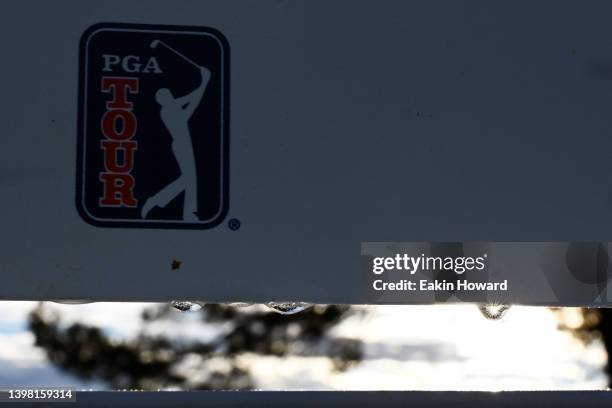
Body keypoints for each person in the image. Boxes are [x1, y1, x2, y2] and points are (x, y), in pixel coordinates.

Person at [141, 67, 211, 221]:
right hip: (181, 144)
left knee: (190, 179)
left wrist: (204, 82)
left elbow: (192, 102)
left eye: (170, 93)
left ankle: (188, 213)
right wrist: (205, 80)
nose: (171, 95)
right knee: (188, 179)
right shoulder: (168, 110)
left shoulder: (173, 107)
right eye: (167, 95)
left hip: (184, 143)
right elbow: (192, 99)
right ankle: (157, 200)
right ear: (163, 100)